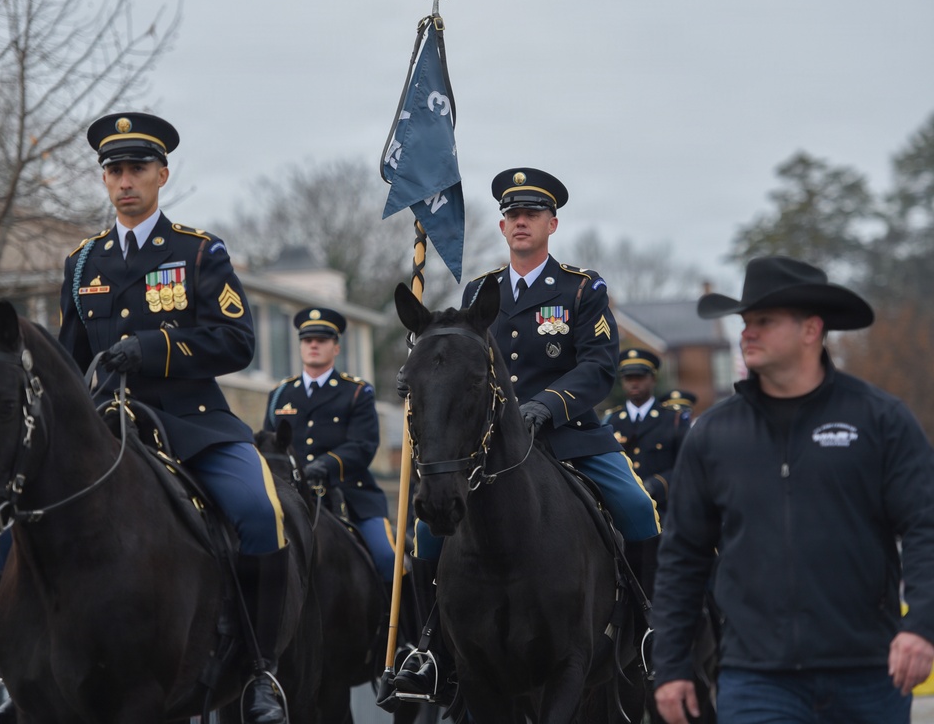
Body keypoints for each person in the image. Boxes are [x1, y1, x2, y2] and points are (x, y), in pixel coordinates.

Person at [0, 112, 289, 724]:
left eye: (137, 168)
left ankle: (260, 672)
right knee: (27, 516)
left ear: (162, 174)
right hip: (105, 425)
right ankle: (25, 674)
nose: (125, 181)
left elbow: (237, 341)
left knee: (259, 512)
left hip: (192, 424)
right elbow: (66, 361)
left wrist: (154, 347)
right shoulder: (83, 264)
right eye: (114, 171)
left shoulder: (198, 253)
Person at [393, 167, 660, 697]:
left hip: (570, 434)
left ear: (551, 224)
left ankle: (651, 632)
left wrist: (546, 405)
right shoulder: (480, 291)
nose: (521, 222)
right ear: (502, 224)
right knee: (425, 529)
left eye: (532, 214)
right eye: (513, 214)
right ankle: (431, 650)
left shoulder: (582, 288)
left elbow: (599, 365)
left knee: (636, 507)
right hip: (490, 448)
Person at [652, 255, 934, 724]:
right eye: (745, 321)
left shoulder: (881, 420)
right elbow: (682, 556)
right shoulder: (713, 436)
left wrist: (921, 626)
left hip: (868, 673)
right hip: (756, 677)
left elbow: (926, 526)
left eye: (764, 320)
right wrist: (671, 665)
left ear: (810, 330)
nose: (747, 333)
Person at [263, 307, 396, 585]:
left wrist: (325, 465)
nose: (313, 345)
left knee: (388, 559)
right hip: (290, 494)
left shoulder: (357, 391)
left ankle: (405, 627)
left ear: (335, 347)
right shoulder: (280, 394)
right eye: (307, 340)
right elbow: (269, 443)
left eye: (321, 340)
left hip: (350, 496)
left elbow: (363, 445)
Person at [602, 348, 691, 596]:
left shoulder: (673, 420)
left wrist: (655, 486)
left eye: (639, 377)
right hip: (619, 517)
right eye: (629, 377)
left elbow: (688, 468)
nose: (634, 383)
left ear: (652, 378)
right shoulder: (610, 421)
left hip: (663, 516)